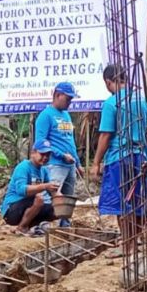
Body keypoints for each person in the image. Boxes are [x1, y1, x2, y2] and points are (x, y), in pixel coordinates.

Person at [90, 65, 147, 231]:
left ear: (109, 82)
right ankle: (135, 242)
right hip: (140, 156)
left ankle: (127, 244)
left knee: (121, 204)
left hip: (119, 157)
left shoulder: (112, 103)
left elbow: (106, 135)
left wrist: (96, 163)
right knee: (137, 201)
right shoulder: (141, 101)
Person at [34, 81, 83, 227]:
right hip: (55, 165)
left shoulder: (66, 115)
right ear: (57, 95)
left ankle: (64, 225)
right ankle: (43, 224)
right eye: (67, 98)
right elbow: (41, 142)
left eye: (71, 99)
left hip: (69, 165)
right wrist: (61, 155)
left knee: (67, 198)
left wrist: (78, 163)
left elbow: (70, 141)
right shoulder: (46, 116)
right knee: (51, 195)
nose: (69, 102)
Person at [0, 140, 60, 235]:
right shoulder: (23, 167)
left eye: (47, 155)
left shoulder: (44, 170)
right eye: (42, 154)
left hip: (28, 206)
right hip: (11, 210)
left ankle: (31, 226)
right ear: (33, 153)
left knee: (56, 210)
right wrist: (44, 186)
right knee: (39, 198)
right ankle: (22, 227)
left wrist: (62, 200)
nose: (45, 157)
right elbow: (21, 190)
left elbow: (52, 191)